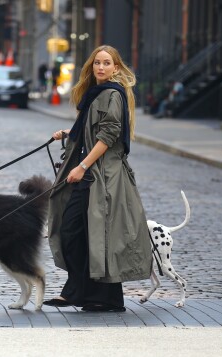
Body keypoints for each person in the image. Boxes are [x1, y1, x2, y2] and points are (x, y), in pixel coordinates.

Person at [44, 45, 152, 312]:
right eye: (97, 63)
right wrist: (71, 131)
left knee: (99, 235)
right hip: (93, 173)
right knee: (77, 232)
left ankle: (103, 299)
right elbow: (96, 128)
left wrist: (81, 166)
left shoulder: (112, 94)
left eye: (106, 63)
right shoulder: (96, 93)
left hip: (103, 175)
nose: (101, 67)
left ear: (116, 68)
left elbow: (108, 135)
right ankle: (79, 291)